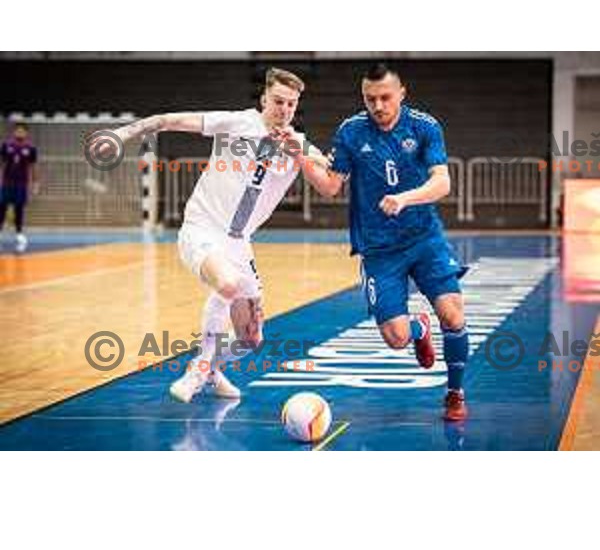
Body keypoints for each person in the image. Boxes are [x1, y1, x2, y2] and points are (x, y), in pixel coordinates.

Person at [88, 67, 328, 403]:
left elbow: (330, 177)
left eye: (291, 104)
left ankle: (213, 368)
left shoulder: (297, 145)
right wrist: (125, 132)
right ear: (263, 100)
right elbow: (167, 120)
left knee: (250, 340)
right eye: (278, 102)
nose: (284, 110)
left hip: (239, 244)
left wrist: (308, 156)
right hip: (202, 228)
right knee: (227, 285)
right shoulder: (236, 124)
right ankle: (199, 369)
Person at [280, 64, 469, 421]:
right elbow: (332, 185)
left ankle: (455, 393)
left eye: (385, 97)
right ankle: (418, 328)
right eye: (370, 99)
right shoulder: (351, 132)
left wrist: (405, 198)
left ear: (402, 93)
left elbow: (442, 182)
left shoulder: (425, 127)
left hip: (424, 238)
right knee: (397, 338)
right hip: (379, 249)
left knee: (453, 313)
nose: (378, 105)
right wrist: (301, 153)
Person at [0, 122, 39, 253]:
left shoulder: (31, 148)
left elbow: (33, 167)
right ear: (14, 132)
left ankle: (19, 235)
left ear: (26, 133)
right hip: (6, 183)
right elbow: (2, 164)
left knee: (19, 209)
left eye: (22, 131)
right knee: (2, 208)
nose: (20, 133)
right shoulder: (6, 145)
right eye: (18, 131)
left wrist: (35, 183)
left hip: (21, 184)